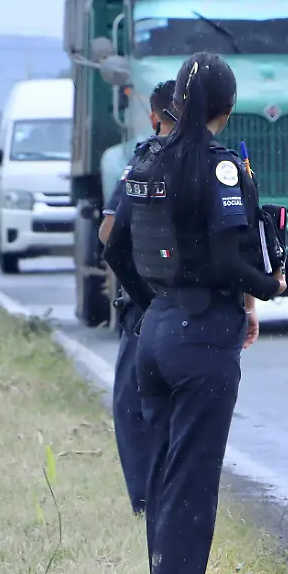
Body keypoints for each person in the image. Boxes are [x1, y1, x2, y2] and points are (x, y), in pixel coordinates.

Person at [120, 52, 286, 574]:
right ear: (229, 107)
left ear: (177, 105)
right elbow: (224, 260)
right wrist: (268, 286)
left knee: (165, 482)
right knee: (191, 491)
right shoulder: (218, 166)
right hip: (202, 342)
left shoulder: (148, 160)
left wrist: (154, 302)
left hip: (156, 333)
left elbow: (116, 245)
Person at [98, 80, 178, 516]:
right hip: (209, 315)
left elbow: (109, 233)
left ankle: (147, 502)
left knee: (134, 406)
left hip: (148, 308)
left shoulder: (145, 160)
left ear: (154, 117)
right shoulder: (227, 164)